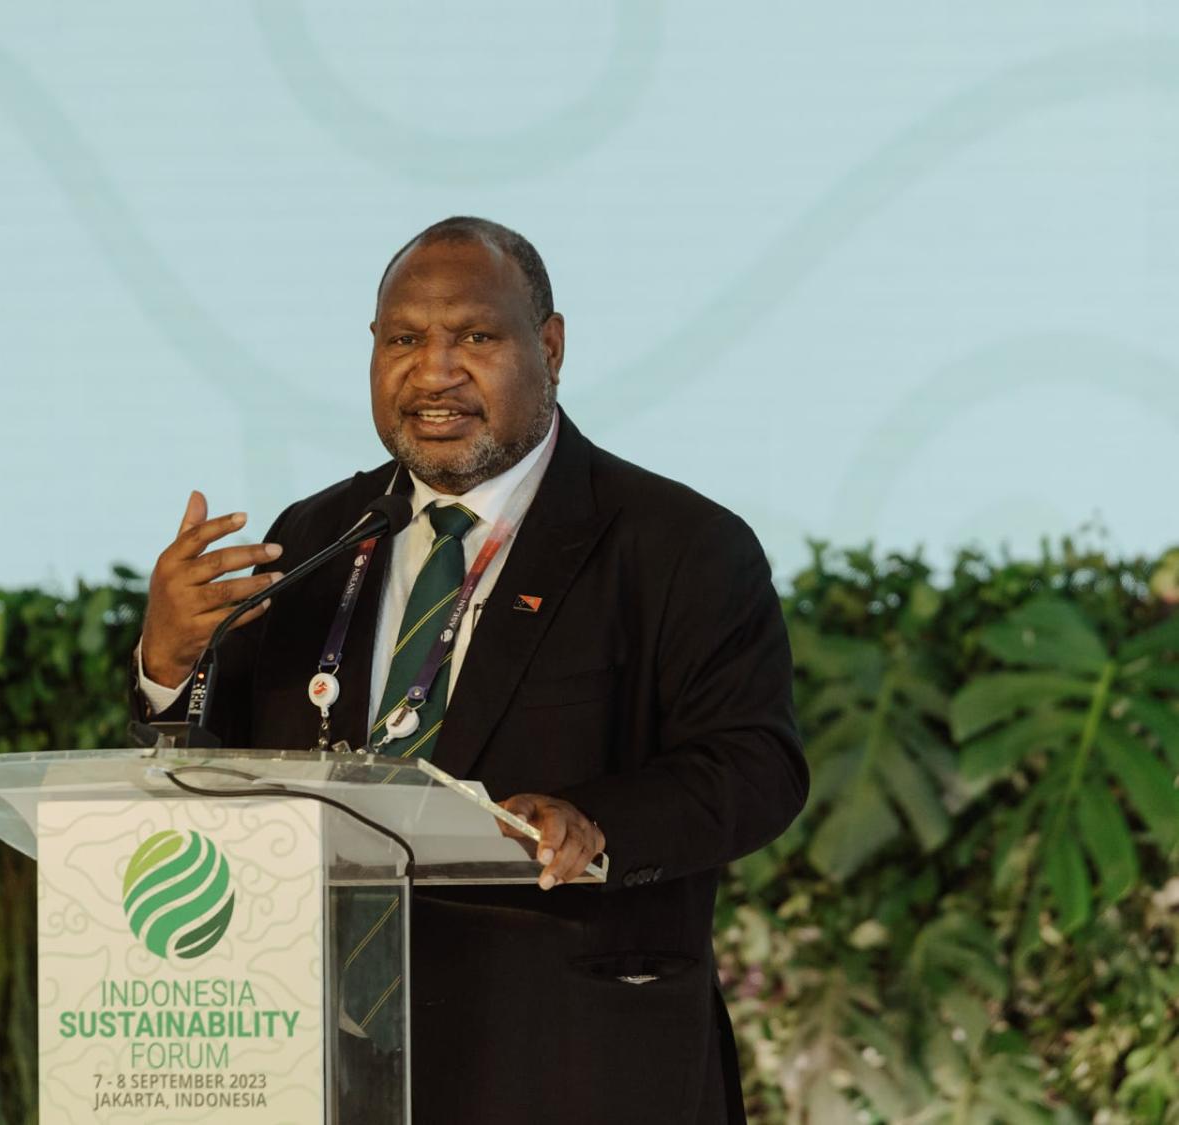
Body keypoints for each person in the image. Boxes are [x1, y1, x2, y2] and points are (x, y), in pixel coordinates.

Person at [134, 216, 807, 1123]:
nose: (435, 370)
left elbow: (757, 766)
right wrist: (169, 667)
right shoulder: (318, 539)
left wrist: (593, 823)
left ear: (552, 347)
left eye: (475, 337)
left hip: (572, 1062)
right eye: (403, 339)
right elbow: (215, 776)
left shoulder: (679, 544)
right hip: (326, 1066)